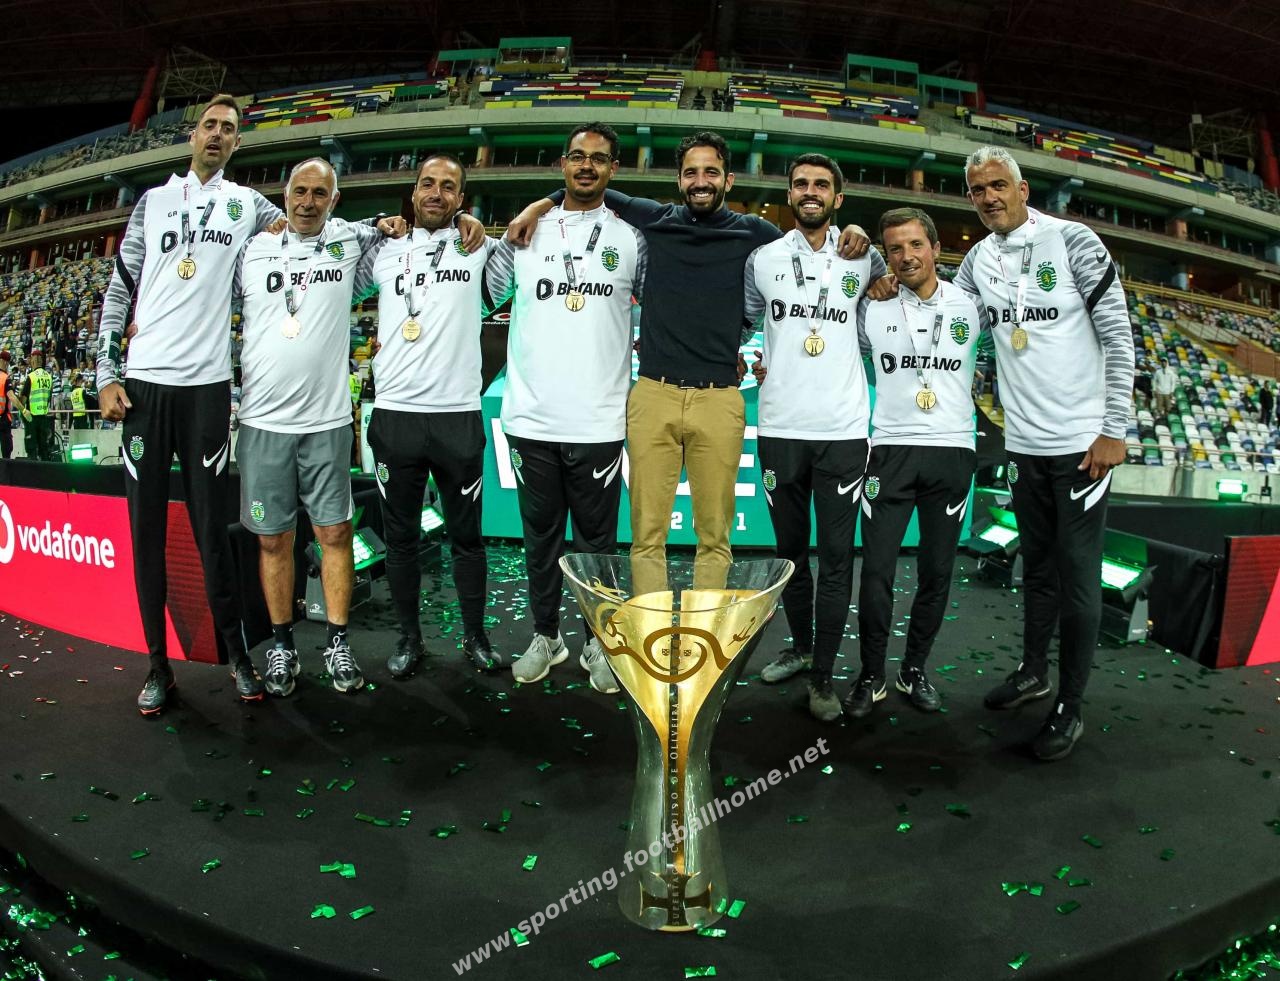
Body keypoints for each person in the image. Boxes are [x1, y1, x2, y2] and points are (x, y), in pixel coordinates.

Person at [506, 131, 870, 593]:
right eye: (691, 172)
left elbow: (808, 246)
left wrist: (853, 230)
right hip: (653, 396)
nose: (701, 181)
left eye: (711, 172)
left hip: (719, 399)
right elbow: (584, 186)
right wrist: (536, 207)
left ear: (728, 180)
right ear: (679, 180)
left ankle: (704, 636)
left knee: (715, 539)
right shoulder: (653, 220)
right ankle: (654, 633)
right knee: (646, 538)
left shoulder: (756, 235)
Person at [96, 93, 282, 715]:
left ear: (237, 144)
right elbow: (119, 290)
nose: (218, 134)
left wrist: (379, 226)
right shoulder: (152, 202)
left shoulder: (248, 205)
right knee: (146, 533)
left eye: (229, 129)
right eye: (209, 125)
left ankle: (237, 656)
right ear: (192, 135)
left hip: (206, 390)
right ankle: (157, 665)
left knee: (211, 534)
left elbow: (302, 226)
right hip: (144, 389)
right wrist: (106, 375)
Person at [953, 146, 1134, 761]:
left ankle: (1071, 706)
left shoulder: (1074, 241)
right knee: (1036, 567)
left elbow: (1118, 336)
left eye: (998, 185)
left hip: (1084, 445)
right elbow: (951, 320)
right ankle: (1034, 672)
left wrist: (1114, 429)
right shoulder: (977, 261)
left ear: (1023, 188)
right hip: (1024, 445)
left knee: (1078, 578)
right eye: (978, 190)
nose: (989, 197)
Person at [235, 157, 406, 697]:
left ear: (335, 201)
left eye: (320, 194)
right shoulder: (252, 249)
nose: (307, 202)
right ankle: (282, 644)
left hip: (327, 421)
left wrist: (392, 221)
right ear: (285, 194)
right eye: (300, 191)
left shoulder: (349, 241)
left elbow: (392, 230)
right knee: (273, 539)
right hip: (262, 421)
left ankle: (337, 641)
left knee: (335, 533)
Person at [485, 123, 646, 690]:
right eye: (577, 156)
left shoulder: (633, 240)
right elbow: (481, 294)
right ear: (562, 164)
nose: (586, 166)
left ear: (613, 170)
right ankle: (546, 636)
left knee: (597, 545)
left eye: (598, 159)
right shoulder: (524, 233)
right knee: (541, 539)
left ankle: (598, 642)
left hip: (599, 419)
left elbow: (667, 302)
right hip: (531, 417)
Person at [743, 153, 883, 722]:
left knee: (836, 558)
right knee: (790, 554)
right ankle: (801, 648)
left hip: (842, 431)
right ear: (789, 193)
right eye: (800, 183)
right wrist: (753, 357)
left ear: (837, 198)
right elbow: (745, 324)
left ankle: (823, 676)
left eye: (821, 185)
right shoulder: (763, 259)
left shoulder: (864, 256)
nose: (810, 192)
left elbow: (886, 312)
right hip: (779, 426)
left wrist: (866, 238)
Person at [367, 152, 505, 679]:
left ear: (461, 199)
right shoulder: (382, 251)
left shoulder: (479, 248)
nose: (436, 193)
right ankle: (409, 638)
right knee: (400, 538)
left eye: (449, 187)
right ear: (413, 191)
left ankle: (475, 636)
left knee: (467, 537)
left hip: (456, 416)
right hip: (396, 415)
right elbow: (329, 257)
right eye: (428, 183)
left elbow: (525, 241)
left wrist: (478, 225)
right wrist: (372, 223)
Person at [846, 208, 982, 719]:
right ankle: (871, 674)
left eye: (916, 245)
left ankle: (915, 669)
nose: (906, 256)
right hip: (890, 451)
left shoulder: (972, 306)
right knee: (876, 573)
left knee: (937, 572)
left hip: (953, 452)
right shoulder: (871, 307)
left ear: (936, 248)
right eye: (895, 249)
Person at [14, 349, 54, 460]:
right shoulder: (49, 377)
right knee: (44, 448)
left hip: (32, 418)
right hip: (44, 417)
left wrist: (18, 397)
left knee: (31, 449)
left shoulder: (31, 377)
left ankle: (32, 470)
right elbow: (49, 397)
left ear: (34, 360)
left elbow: (22, 401)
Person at [0, 351, 13, 459]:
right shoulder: (5, 377)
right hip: (3, 419)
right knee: (7, 450)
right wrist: (23, 410)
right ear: (5, 362)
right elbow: (11, 396)